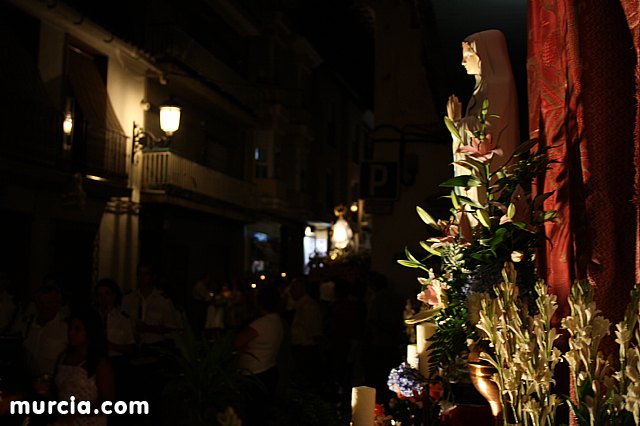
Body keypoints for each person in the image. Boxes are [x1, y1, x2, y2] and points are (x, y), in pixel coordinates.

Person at [447, 29, 519, 180]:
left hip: (491, 171)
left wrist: (457, 122)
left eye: (468, 55)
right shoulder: (481, 87)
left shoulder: (498, 85)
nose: (463, 62)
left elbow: (488, 131)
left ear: (486, 55)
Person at [51, 308, 114, 426]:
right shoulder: (63, 357)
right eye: (70, 328)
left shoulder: (99, 364)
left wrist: (77, 411)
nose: (71, 333)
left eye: (77, 329)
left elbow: (107, 404)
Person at [233, 283, 284, 425]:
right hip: (268, 369)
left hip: (255, 373)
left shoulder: (261, 323)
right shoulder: (277, 321)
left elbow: (236, 342)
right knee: (262, 415)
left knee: (253, 415)